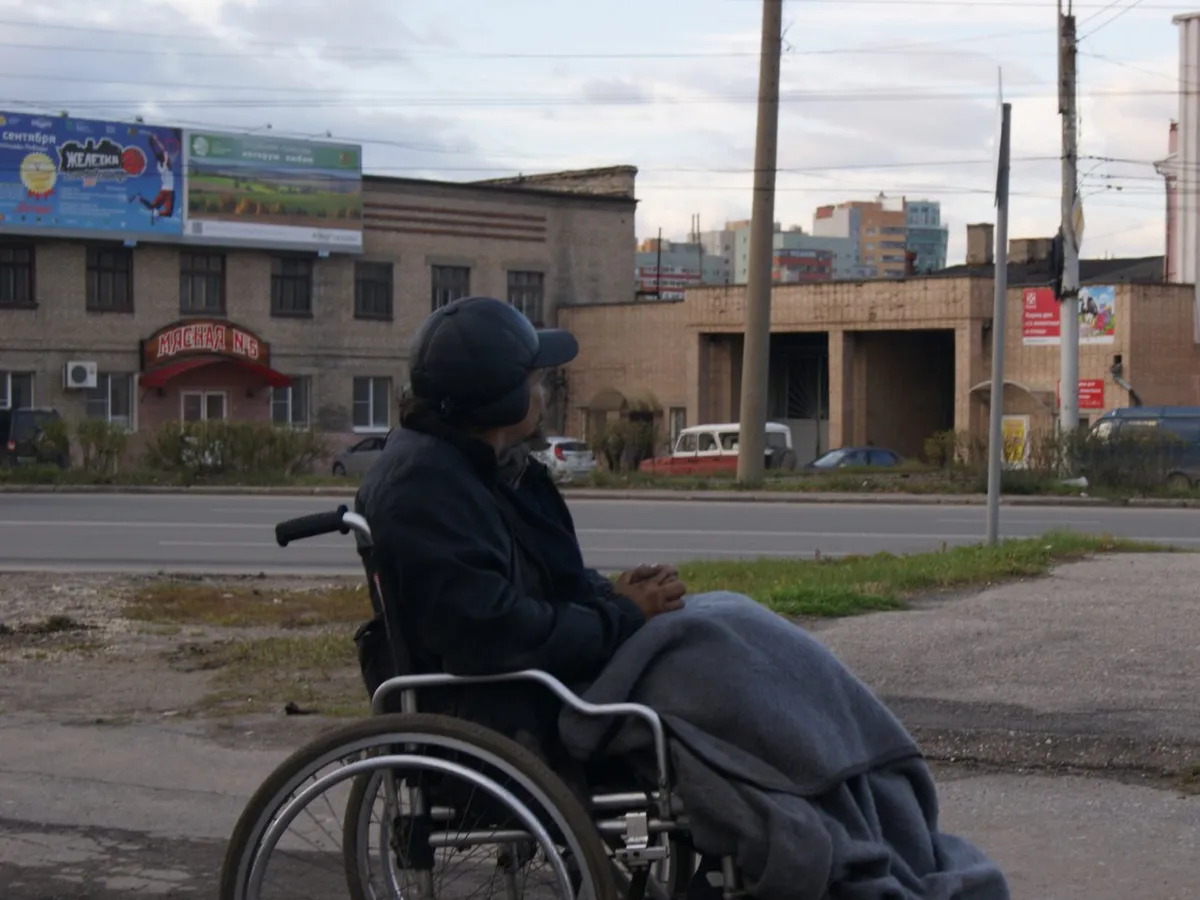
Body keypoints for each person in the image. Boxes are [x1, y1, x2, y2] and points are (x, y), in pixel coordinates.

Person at [355, 295, 685, 759]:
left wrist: (610, 594)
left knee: (714, 623)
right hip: (510, 710)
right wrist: (622, 616)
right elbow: (494, 631)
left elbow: (540, 576)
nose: (543, 394)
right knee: (703, 674)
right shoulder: (425, 488)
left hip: (528, 687)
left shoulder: (478, 466)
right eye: (535, 381)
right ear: (502, 397)